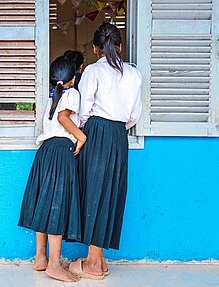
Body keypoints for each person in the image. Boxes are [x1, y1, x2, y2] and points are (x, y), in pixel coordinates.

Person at [68, 23, 142, 280]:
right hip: (119, 135)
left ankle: (92, 263)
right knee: (110, 193)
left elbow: (83, 109)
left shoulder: (92, 71)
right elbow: (134, 115)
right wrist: (118, 128)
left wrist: (82, 131)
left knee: (94, 191)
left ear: (94, 48)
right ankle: (96, 259)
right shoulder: (133, 74)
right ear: (120, 46)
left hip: (96, 132)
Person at [18, 57, 87, 283]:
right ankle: (55, 265)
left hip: (45, 151)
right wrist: (81, 136)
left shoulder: (52, 96)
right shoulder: (72, 93)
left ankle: (40, 258)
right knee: (57, 204)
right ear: (73, 78)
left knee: (44, 202)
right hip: (60, 150)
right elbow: (63, 118)